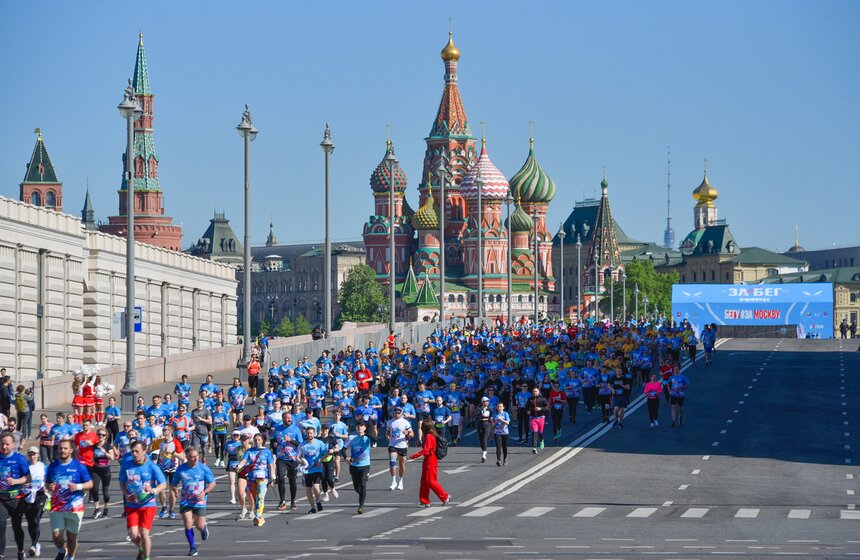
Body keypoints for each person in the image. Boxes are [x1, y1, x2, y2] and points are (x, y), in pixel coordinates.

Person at [45, 440, 92, 560]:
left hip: (74, 506)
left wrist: (78, 487)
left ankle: (70, 557)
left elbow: (90, 484)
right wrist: (49, 486)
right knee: (56, 535)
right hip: (57, 505)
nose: (62, 450)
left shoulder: (78, 466)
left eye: (65, 448)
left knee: (71, 537)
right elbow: (47, 483)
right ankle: (62, 550)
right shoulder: (53, 466)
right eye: (60, 448)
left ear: (71, 450)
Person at [120, 440, 167, 560]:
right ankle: (141, 548)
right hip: (132, 504)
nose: (134, 454)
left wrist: (154, 490)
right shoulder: (127, 464)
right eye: (132, 451)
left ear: (144, 451)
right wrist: (126, 494)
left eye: (137, 451)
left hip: (148, 504)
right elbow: (122, 482)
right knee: (132, 534)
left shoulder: (152, 466)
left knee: (144, 533)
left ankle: (146, 557)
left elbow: (163, 484)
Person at [171, 447, 215, 557]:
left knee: (199, 525)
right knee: (187, 524)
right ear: (187, 457)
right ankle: (192, 547)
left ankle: (203, 529)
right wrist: (176, 490)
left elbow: (212, 483)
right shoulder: (181, 469)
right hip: (186, 500)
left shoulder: (203, 468)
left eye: (196, 456)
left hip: (200, 501)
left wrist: (205, 492)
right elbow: (173, 484)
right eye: (192, 457)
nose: (195, 458)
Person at [236, 433, 275, 526]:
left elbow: (271, 465)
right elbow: (244, 460)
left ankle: (258, 516)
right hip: (251, 477)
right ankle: (260, 518)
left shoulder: (267, 452)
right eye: (255, 440)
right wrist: (239, 466)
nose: (257, 442)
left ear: (262, 441)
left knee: (260, 496)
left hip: (263, 477)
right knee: (255, 497)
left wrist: (272, 476)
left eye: (258, 440)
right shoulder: (250, 451)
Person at [410, 420, 449, 507]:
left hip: (430, 460)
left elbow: (426, 450)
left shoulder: (428, 436)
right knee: (424, 481)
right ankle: (424, 501)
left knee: (431, 481)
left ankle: (444, 496)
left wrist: (413, 456)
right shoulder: (432, 435)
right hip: (429, 460)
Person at [150, 424, 185, 520]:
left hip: (173, 469)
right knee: (161, 489)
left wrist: (173, 453)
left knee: (172, 490)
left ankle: (171, 510)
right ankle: (164, 507)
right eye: (163, 430)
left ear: (170, 431)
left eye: (165, 430)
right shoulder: (160, 442)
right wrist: (151, 443)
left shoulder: (176, 443)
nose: (163, 431)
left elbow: (182, 456)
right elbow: (149, 450)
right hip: (162, 468)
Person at [297, 426, 327, 514]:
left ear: (314, 434)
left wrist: (320, 460)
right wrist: (301, 462)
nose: (309, 435)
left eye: (311, 433)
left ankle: (318, 501)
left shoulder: (319, 443)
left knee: (316, 487)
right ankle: (313, 507)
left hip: (317, 469)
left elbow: (326, 453)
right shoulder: (302, 445)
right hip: (307, 470)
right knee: (308, 490)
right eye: (307, 433)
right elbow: (297, 457)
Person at [346, 422, 373, 514]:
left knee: (363, 484)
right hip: (354, 465)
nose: (359, 428)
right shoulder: (351, 438)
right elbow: (343, 449)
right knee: (356, 487)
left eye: (361, 426)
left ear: (364, 428)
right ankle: (363, 495)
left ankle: (361, 506)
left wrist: (366, 434)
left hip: (365, 465)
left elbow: (375, 439)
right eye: (358, 426)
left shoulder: (367, 438)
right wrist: (346, 458)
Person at [24, 447, 47, 558]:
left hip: (40, 495)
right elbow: (20, 479)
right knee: (30, 522)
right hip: (28, 496)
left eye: (34, 454)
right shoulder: (25, 467)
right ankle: (36, 543)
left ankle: (33, 545)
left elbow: (50, 479)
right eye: (30, 454)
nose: (32, 456)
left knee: (36, 519)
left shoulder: (43, 466)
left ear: (38, 455)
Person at [89, 428, 115, 519]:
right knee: (94, 489)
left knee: (105, 492)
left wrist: (104, 452)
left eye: (103, 435)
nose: (101, 436)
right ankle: (97, 509)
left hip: (105, 469)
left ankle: (106, 509)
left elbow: (112, 458)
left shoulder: (108, 446)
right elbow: (92, 456)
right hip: (96, 469)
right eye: (99, 434)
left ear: (106, 437)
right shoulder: (94, 446)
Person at [385, 407, 412, 490]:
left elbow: (412, 434)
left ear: (401, 413)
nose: (396, 414)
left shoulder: (405, 422)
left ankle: (401, 481)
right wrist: (387, 436)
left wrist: (407, 433)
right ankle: (393, 481)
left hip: (402, 445)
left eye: (398, 413)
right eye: (395, 413)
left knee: (401, 464)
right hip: (393, 445)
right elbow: (388, 431)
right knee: (392, 463)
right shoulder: (390, 422)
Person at [526, 387, 549, 454]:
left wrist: (540, 408)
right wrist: (527, 411)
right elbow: (526, 408)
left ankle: (541, 440)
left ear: (538, 392)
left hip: (541, 418)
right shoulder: (530, 399)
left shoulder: (543, 399)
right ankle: (534, 447)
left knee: (540, 432)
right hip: (533, 418)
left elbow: (547, 408)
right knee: (534, 432)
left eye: (536, 391)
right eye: (533, 391)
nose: (534, 392)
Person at [491, 402, 510, 467]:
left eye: (500, 406)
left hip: (505, 432)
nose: (499, 408)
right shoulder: (495, 414)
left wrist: (501, 419)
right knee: (498, 446)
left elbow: (507, 422)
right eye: (498, 406)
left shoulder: (505, 414)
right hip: (497, 432)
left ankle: (505, 459)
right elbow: (493, 425)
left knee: (504, 447)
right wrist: (493, 421)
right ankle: (498, 460)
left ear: (503, 407)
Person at [475, 397, 492, 463]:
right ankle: (484, 450)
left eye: (488, 401)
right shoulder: (479, 409)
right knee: (481, 441)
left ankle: (484, 455)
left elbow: (491, 418)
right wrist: (483, 412)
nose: (487, 402)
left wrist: (493, 427)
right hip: (480, 425)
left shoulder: (489, 409)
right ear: (482, 402)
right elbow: (477, 417)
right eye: (485, 401)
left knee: (485, 439)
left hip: (487, 425)